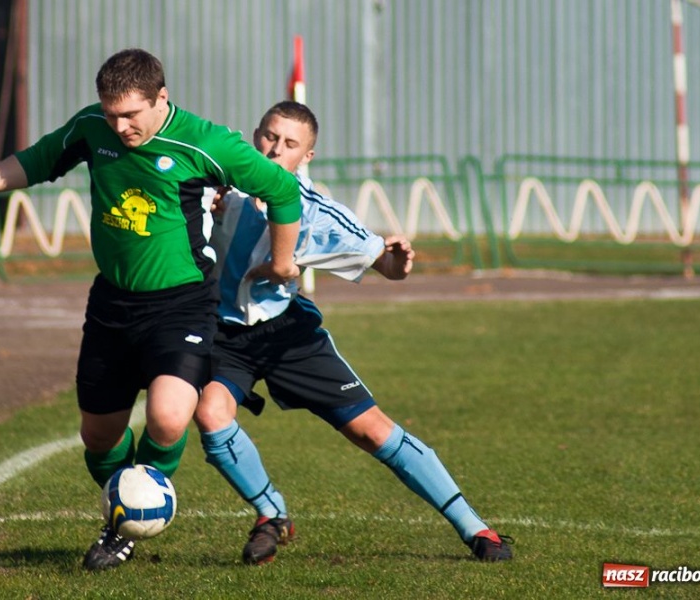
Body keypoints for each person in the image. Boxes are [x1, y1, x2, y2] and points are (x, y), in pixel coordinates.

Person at [0, 49, 302, 571]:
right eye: (111, 113)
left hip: (182, 303)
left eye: (131, 115)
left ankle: (123, 526)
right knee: (98, 437)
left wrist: (282, 264)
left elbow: (282, 191)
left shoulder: (205, 142)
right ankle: (127, 508)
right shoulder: (92, 126)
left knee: (168, 418)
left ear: (161, 98)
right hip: (112, 304)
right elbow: (34, 161)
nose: (119, 127)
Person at [194, 101, 513, 565]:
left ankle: (476, 529)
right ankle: (271, 515)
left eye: (290, 143)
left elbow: (382, 261)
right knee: (210, 413)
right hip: (225, 333)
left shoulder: (318, 212)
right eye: (269, 136)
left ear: (308, 156)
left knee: (371, 431)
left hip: (288, 334)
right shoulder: (224, 184)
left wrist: (397, 261)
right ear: (255, 133)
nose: (275, 149)